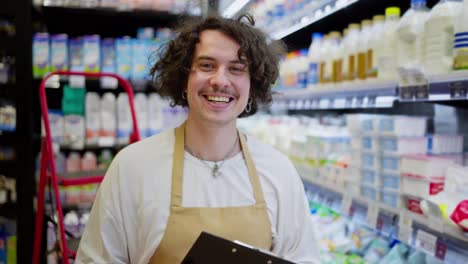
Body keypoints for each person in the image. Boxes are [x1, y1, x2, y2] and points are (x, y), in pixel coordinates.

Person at [76, 14, 320, 264]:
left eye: (236, 69)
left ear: (252, 85)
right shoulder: (132, 167)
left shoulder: (278, 171)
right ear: (184, 78)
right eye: (206, 65)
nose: (220, 81)